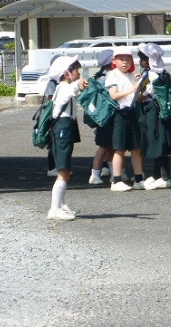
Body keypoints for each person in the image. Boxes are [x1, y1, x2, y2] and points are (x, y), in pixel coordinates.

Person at [137, 43, 171, 189]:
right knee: (160, 143)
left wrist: (137, 87)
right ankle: (157, 175)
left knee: (158, 143)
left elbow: (140, 95)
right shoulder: (164, 72)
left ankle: (165, 177)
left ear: (147, 60)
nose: (140, 61)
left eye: (142, 58)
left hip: (153, 111)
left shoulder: (148, 75)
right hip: (164, 111)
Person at [47, 55, 88, 220]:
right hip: (63, 128)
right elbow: (69, 93)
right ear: (67, 73)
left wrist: (78, 86)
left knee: (65, 170)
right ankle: (54, 209)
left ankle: (61, 205)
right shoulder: (64, 87)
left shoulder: (63, 86)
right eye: (76, 70)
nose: (78, 73)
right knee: (63, 171)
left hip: (65, 127)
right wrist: (77, 85)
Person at [104, 46, 145, 192]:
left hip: (132, 113)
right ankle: (116, 180)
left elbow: (138, 98)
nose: (125, 62)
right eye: (121, 59)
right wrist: (132, 89)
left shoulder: (131, 75)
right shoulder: (112, 75)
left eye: (127, 59)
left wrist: (142, 88)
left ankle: (139, 179)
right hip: (119, 114)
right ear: (114, 61)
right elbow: (113, 95)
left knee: (136, 148)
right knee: (119, 148)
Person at [87, 49, 122, 186]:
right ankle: (95, 173)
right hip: (109, 116)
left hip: (101, 116)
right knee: (105, 146)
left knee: (109, 146)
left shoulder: (98, 77)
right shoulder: (109, 77)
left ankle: (113, 173)